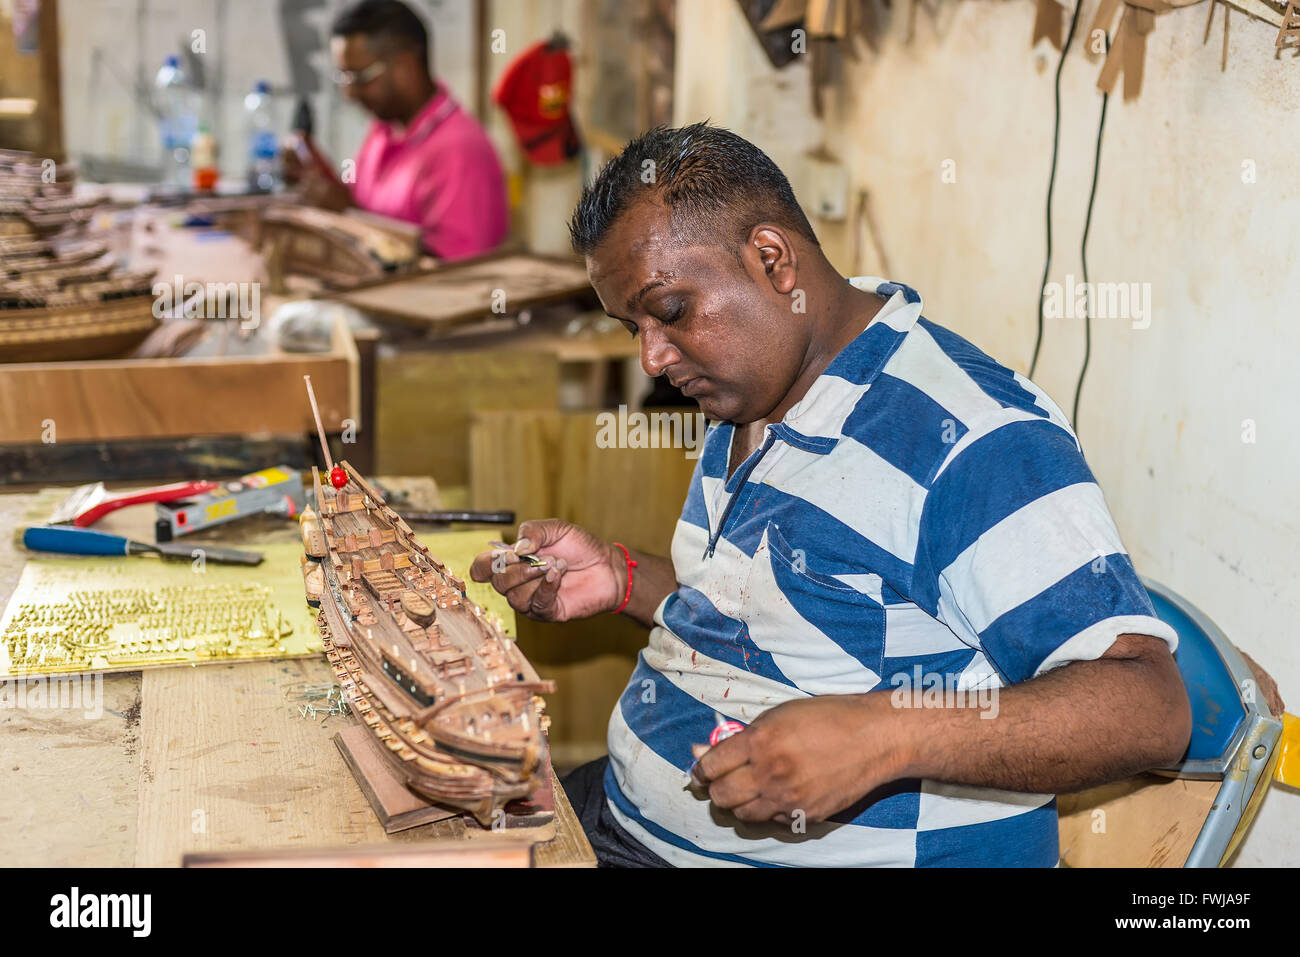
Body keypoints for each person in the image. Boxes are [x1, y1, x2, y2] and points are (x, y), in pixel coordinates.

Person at [469, 123, 1275, 867]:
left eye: (670, 312)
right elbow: (787, 621)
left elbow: (1147, 705)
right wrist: (620, 577)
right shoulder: (754, 390)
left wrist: (882, 737)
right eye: (631, 328)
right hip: (629, 826)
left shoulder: (969, 438)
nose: (651, 357)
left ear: (773, 261)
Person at [285, 0, 508, 261]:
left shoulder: (460, 151)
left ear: (405, 66)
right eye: (343, 77)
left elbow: (455, 273)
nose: (349, 93)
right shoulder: (384, 130)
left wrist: (347, 216)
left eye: (360, 77)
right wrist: (320, 182)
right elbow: (363, 208)